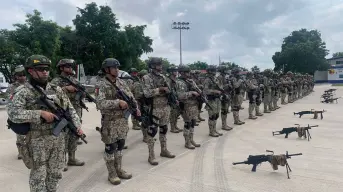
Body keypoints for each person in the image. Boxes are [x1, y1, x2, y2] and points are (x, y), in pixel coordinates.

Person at [7, 55, 83, 192]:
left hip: (58, 140)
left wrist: (77, 126)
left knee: (55, 173)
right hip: (37, 141)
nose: (45, 72)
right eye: (40, 69)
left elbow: (70, 109)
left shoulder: (55, 89)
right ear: (30, 71)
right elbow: (13, 114)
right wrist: (39, 114)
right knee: (38, 177)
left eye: (47, 69)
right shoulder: (23, 92)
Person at [95, 58, 139, 185]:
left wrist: (136, 108)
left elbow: (130, 96)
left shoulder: (121, 82)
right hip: (110, 121)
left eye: (117, 67)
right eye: (114, 67)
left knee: (120, 146)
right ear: (107, 69)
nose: (117, 69)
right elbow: (100, 103)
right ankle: (112, 174)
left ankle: (119, 169)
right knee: (110, 148)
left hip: (122, 120)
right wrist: (117, 103)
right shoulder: (101, 84)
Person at [6, 65, 27, 160]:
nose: (22, 77)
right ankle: (21, 152)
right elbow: (10, 100)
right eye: (19, 75)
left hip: (30, 112)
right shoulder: (12, 87)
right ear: (16, 76)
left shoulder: (30, 85)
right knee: (20, 134)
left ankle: (29, 150)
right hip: (19, 113)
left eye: (23, 75)